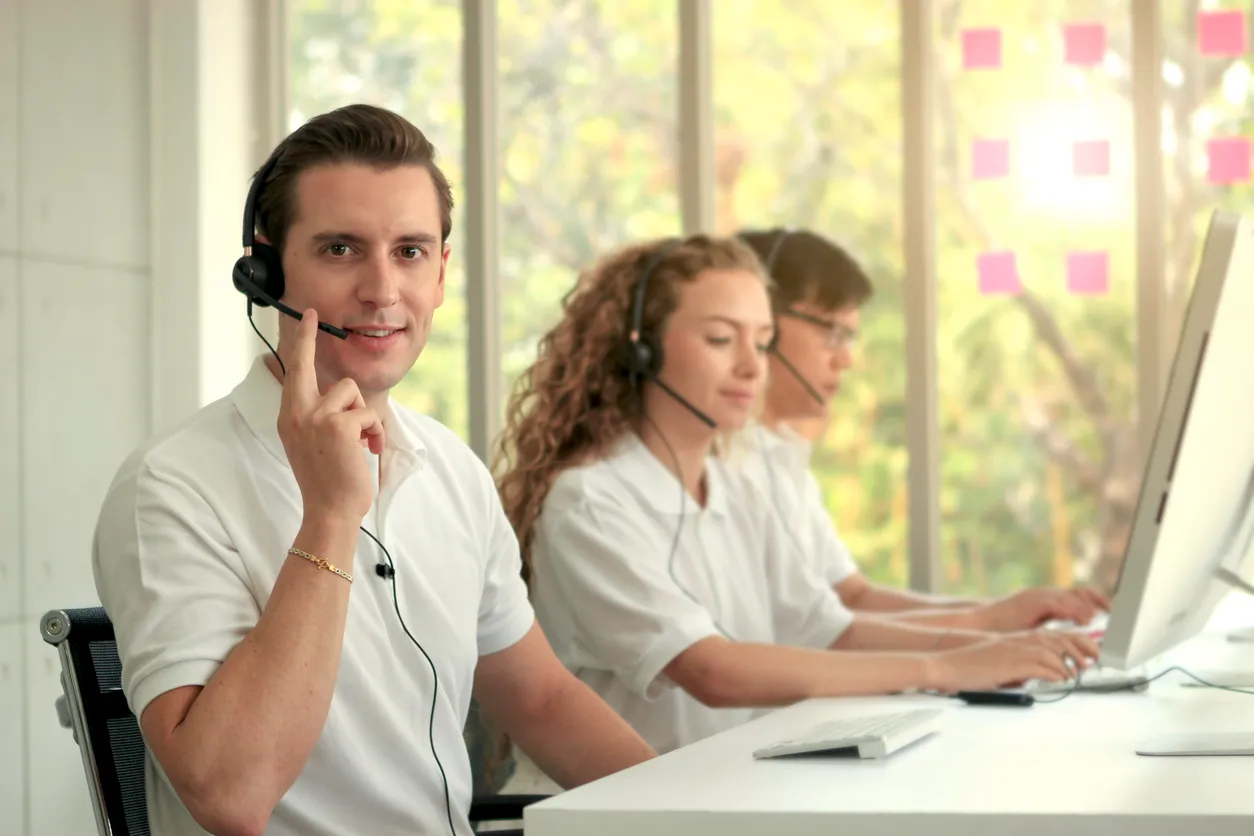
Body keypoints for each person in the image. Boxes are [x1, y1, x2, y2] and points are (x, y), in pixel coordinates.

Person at [91, 103, 654, 836]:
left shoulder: (450, 469)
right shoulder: (172, 487)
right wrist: (330, 515)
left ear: (443, 272)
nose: (383, 290)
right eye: (340, 249)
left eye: (411, 252)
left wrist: (704, 817)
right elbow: (230, 795)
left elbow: (541, 699)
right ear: (263, 269)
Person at [492, 233, 1099, 788]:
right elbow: (713, 671)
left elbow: (832, 627)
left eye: (763, 342)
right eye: (721, 340)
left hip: (732, 795)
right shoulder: (593, 501)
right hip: (624, 814)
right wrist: (950, 664)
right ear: (641, 350)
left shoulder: (738, 480)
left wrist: (991, 649)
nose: (753, 367)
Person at [734, 227, 1111, 632]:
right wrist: (986, 624)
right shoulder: (725, 466)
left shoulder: (784, 460)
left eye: (849, 339)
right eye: (831, 333)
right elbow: (817, 635)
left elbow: (854, 597)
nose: (845, 359)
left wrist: (1011, 614)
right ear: (763, 323)